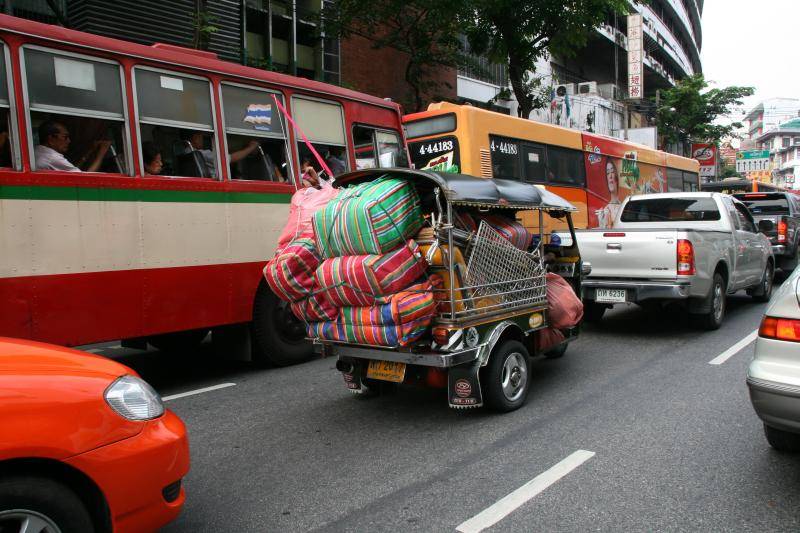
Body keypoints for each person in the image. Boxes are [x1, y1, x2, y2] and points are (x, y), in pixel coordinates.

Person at [35, 120, 111, 172]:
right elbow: (84, 179)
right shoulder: (52, 157)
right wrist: (101, 153)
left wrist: (89, 152)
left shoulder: (38, 151)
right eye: (65, 137)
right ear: (51, 139)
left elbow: (72, 170)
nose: (69, 141)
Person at [185, 131, 260, 178]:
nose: (203, 141)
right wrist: (252, 147)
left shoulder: (186, 152)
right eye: (202, 137)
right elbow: (231, 158)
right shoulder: (201, 154)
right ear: (195, 138)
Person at [595, 157, 622, 229]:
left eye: (612, 172)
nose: (610, 176)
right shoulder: (605, 209)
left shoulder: (624, 205)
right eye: (608, 173)